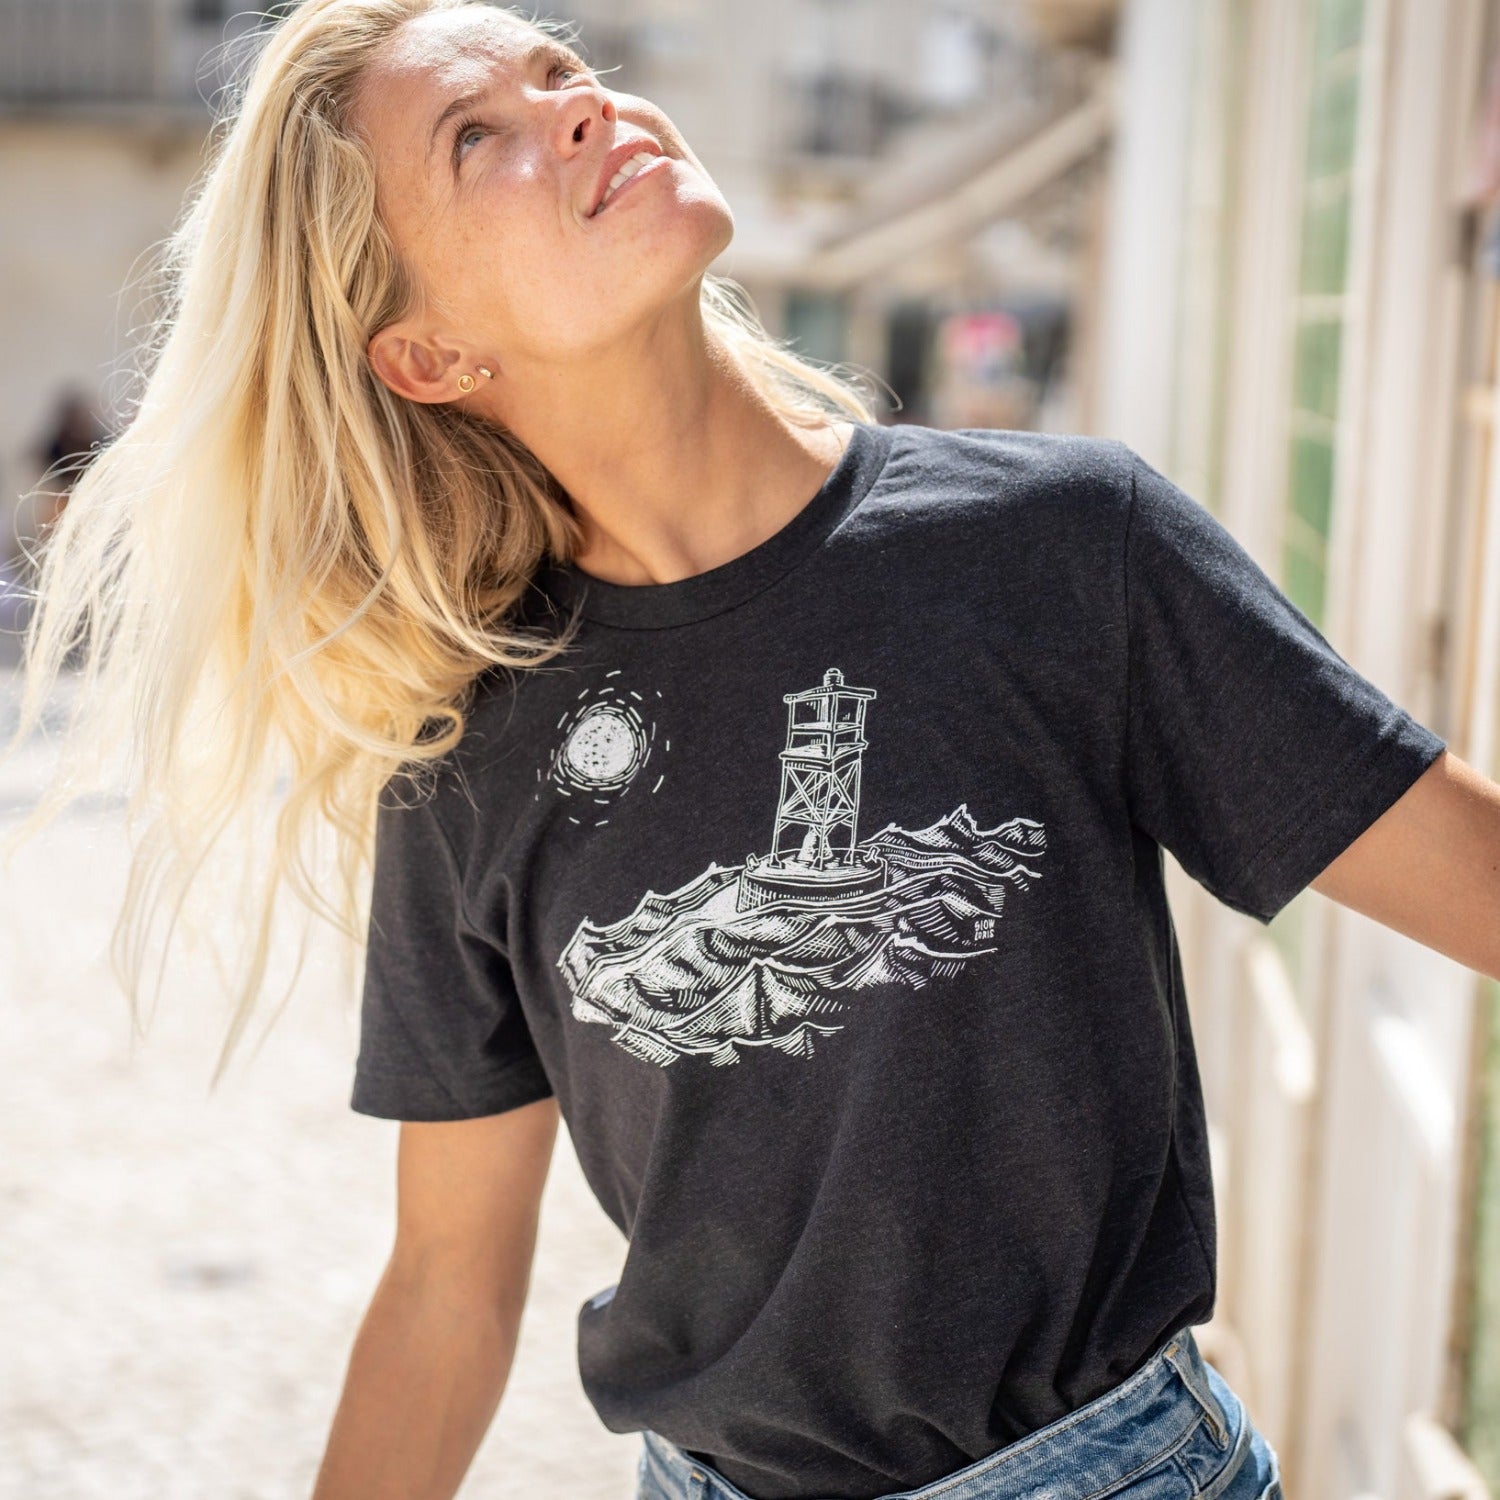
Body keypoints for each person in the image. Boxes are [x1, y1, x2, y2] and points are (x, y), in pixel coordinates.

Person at [4, 3, 1496, 1499]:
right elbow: (446, 1292)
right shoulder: (467, 745)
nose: (578, 109)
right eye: (481, 139)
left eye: (560, 72)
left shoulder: (1063, 549)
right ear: (428, 354)